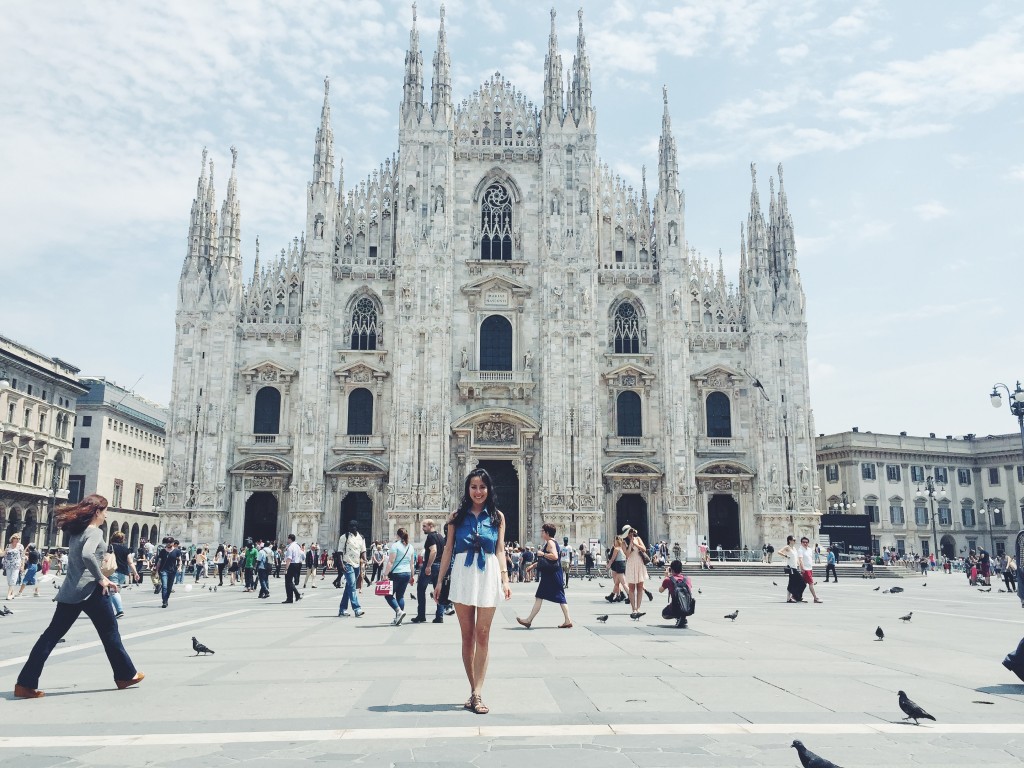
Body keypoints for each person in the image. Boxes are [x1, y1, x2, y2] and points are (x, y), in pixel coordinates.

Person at [14, 494, 143, 698]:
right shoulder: (94, 532)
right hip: (90, 591)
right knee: (110, 632)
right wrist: (102, 578)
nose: (106, 515)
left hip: (70, 591)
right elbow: (87, 555)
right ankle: (125, 675)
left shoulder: (76, 532)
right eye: (105, 510)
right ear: (97, 512)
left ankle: (25, 684)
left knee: (50, 636)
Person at [433, 468, 512, 715]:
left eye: (482, 487)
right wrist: (438, 581)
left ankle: (478, 691)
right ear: (468, 489)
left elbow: (500, 550)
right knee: (467, 636)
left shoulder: (498, 517)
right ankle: (474, 691)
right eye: (473, 487)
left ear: (489, 490)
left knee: (483, 634)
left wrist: (505, 579)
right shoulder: (456, 517)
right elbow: (447, 550)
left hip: (487, 574)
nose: (478, 492)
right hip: (463, 576)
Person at [516, 522, 572, 629]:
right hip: (552, 574)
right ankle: (567, 620)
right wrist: (533, 565)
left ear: (547, 532)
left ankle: (529, 620)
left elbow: (554, 557)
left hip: (552, 575)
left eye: (543, 531)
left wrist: (543, 554)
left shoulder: (550, 542)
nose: (541, 533)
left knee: (553, 596)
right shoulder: (551, 542)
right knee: (546, 596)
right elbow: (547, 561)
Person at [411, 519, 445, 624]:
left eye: (424, 526)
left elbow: (433, 550)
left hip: (431, 566)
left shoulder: (430, 536)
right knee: (438, 591)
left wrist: (428, 566)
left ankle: (421, 616)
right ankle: (439, 616)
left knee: (421, 589)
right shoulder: (441, 537)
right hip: (440, 566)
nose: (422, 528)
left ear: (430, 526)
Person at [382, 528, 415, 625]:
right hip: (407, 573)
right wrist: (412, 576)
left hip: (397, 573)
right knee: (400, 596)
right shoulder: (410, 547)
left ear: (397, 535)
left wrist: (385, 574)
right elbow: (412, 564)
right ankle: (398, 619)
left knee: (388, 595)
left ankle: (399, 612)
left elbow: (391, 562)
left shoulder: (395, 546)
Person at [337, 520, 367, 617]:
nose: (351, 528)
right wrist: (341, 564)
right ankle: (357, 608)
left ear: (356, 527)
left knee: (349, 587)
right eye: (350, 526)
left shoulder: (361, 538)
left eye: (353, 526)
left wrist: (365, 559)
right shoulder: (344, 537)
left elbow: (363, 550)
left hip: (357, 565)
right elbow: (340, 552)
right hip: (347, 563)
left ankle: (342, 609)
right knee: (352, 585)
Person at [107, 532, 138, 618]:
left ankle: (119, 610)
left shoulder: (110, 547)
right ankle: (108, 611)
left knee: (113, 592)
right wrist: (135, 573)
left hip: (112, 571)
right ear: (122, 539)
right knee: (112, 592)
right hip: (122, 573)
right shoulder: (125, 549)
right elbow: (130, 562)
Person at [622, 525, 650, 619]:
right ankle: (633, 608)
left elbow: (644, 549)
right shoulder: (623, 542)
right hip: (631, 565)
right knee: (631, 588)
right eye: (629, 533)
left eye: (631, 532)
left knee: (640, 587)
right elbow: (627, 554)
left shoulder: (637, 539)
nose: (631, 534)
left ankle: (638, 608)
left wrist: (635, 543)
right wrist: (630, 543)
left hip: (639, 564)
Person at [659, 559, 694, 628]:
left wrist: (666, 577)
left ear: (671, 569)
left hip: (675, 607)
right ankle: (682, 617)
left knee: (664, 613)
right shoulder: (688, 579)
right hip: (689, 608)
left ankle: (678, 617)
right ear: (681, 569)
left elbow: (660, 590)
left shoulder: (668, 579)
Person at [155, 538, 182, 608]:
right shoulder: (162, 551)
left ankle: (166, 598)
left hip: (172, 571)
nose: (168, 543)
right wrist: (156, 572)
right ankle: (164, 601)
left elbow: (179, 560)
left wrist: (179, 567)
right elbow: (159, 562)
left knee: (169, 588)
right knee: (164, 586)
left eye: (170, 542)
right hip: (164, 570)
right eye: (167, 542)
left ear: (173, 543)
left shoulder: (177, 551)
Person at [777, 536, 805, 603]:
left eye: (795, 540)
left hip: (795, 567)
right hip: (791, 568)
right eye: (793, 540)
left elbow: (796, 559)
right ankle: (795, 596)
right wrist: (786, 556)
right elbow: (779, 552)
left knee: (792, 583)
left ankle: (790, 598)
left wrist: (800, 567)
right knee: (802, 582)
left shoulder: (794, 548)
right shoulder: (787, 547)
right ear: (789, 540)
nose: (795, 541)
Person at [797, 536, 823, 603]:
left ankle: (796, 596)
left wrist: (811, 569)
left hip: (809, 569)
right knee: (811, 583)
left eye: (806, 542)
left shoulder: (809, 550)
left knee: (802, 584)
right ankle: (815, 598)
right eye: (803, 542)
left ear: (808, 543)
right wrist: (802, 568)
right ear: (801, 543)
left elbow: (809, 560)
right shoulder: (800, 550)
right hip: (805, 569)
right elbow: (800, 559)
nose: (805, 543)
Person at [605, 535, 628, 603]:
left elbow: (612, 559)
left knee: (623, 583)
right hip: (622, 565)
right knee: (617, 582)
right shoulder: (621, 548)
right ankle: (612, 596)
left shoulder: (616, 548)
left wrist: (608, 566)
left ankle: (629, 595)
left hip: (618, 566)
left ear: (616, 541)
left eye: (615, 540)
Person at [281, 534, 303, 604]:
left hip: (292, 564)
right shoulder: (298, 546)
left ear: (290, 539)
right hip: (297, 564)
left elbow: (289, 559)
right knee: (290, 581)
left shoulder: (290, 547)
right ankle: (295, 596)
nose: (287, 540)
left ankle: (291, 597)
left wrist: (286, 568)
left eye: (288, 539)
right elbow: (302, 555)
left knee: (288, 582)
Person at [5, 533, 25, 600]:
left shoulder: (20, 546)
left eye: (18, 540)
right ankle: (12, 593)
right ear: (12, 539)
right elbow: (4, 554)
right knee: (9, 580)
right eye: (15, 540)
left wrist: (22, 565)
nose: (16, 542)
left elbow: (23, 557)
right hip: (8, 565)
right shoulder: (8, 546)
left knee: (13, 579)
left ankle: (8, 594)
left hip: (16, 565)